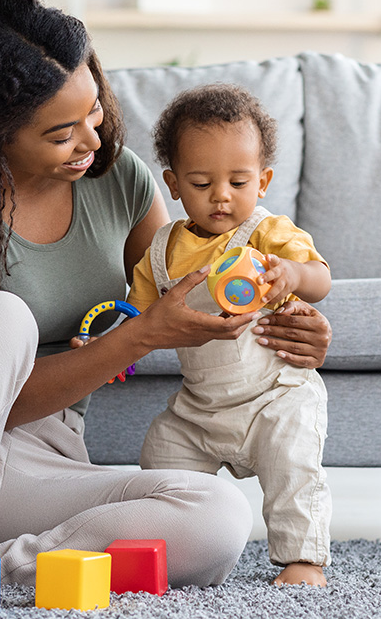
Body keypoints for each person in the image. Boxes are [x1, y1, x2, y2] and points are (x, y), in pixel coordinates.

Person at [0, 0, 332, 619]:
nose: (92, 140)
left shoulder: (123, 181)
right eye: (62, 132)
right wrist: (139, 339)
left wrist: (287, 324)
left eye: (94, 113)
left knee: (219, 515)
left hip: (45, 464)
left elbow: (189, 287)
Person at [126, 84, 333, 587]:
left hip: (274, 397)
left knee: (293, 465)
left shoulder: (267, 233)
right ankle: (165, 549)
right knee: (161, 452)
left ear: (261, 181)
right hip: (199, 407)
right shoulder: (160, 251)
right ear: (173, 184)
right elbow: (135, 320)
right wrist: (109, 349)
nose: (221, 195)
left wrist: (290, 275)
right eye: (201, 183)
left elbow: (320, 278)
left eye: (238, 181)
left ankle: (301, 559)